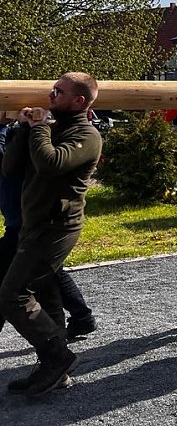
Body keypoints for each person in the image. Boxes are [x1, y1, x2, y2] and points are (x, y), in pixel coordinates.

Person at [0, 72, 102, 396]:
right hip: (35, 225)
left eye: (58, 91)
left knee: (12, 294)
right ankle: (53, 370)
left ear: (79, 101)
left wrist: (40, 127)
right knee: (47, 293)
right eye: (52, 89)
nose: (51, 95)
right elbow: (10, 168)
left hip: (57, 227)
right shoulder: (51, 127)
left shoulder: (87, 135)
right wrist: (20, 128)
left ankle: (57, 358)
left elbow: (50, 163)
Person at [0, 116, 97, 340]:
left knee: (15, 289)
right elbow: (9, 165)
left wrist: (34, 125)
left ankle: (61, 346)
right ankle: (74, 327)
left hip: (30, 220)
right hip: (24, 218)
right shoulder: (22, 131)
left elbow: (49, 163)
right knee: (48, 277)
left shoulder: (79, 134)